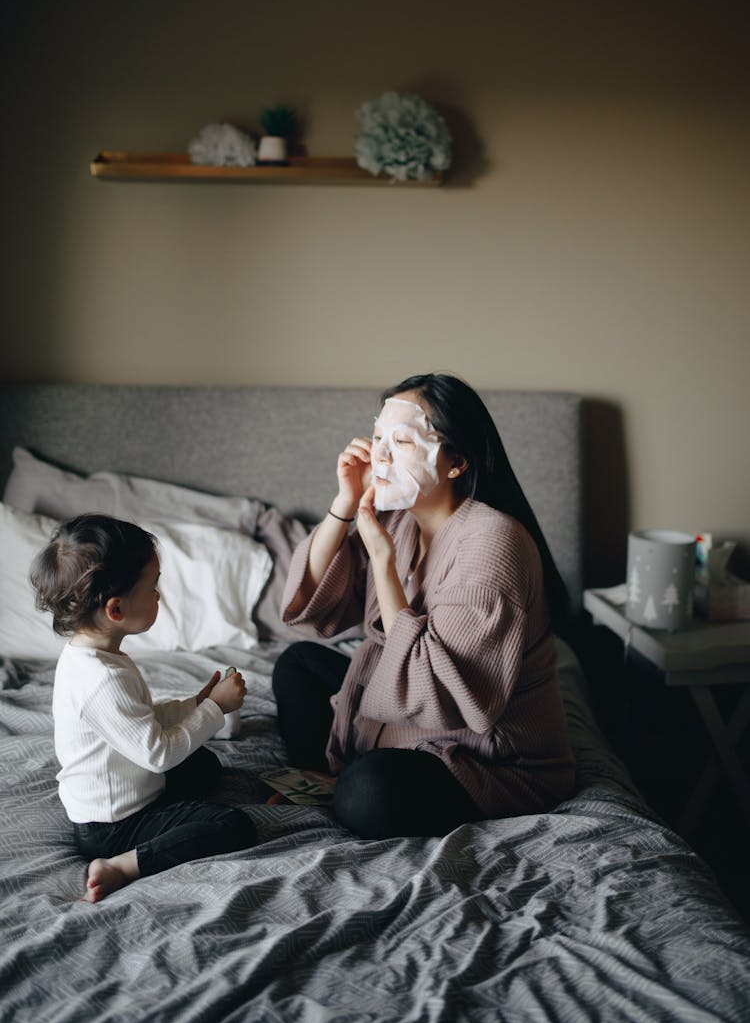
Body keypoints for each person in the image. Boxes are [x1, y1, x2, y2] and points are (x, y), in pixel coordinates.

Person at [274, 373, 575, 840]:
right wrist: (344, 503)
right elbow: (312, 606)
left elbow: (439, 690)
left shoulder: (494, 542)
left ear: (455, 463)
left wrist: (383, 562)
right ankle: (327, 779)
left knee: (366, 793)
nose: (381, 456)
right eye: (377, 438)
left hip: (479, 753)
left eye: (401, 441)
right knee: (297, 664)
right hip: (406, 707)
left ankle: (346, 784)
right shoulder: (398, 522)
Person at [30, 513, 257, 902]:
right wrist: (215, 711)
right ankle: (120, 865)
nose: (158, 596)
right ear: (116, 610)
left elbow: (141, 720)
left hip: (131, 785)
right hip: (112, 826)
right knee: (232, 825)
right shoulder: (101, 680)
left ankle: (166, 817)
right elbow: (158, 754)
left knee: (204, 766)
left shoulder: (98, 656)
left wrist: (196, 705)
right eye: (152, 587)